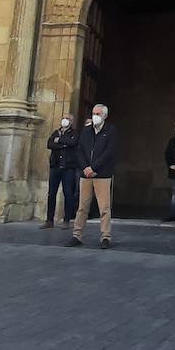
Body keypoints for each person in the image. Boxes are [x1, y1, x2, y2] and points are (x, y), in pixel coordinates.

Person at [70, 103, 118, 249]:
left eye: (98, 113)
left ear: (105, 115)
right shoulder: (86, 131)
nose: (95, 116)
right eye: (93, 113)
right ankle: (77, 235)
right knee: (82, 207)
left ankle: (105, 237)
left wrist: (94, 167)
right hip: (86, 175)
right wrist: (85, 167)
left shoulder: (111, 131)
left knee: (104, 208)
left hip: (102, 174)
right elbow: (79, 150)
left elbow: (109, 152)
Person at [42, 113, 79, 229]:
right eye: (64, 118)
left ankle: (67, 219)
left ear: (72, 122)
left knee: (68, 193)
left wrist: (59, 141)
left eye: (68, 119)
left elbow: (73, 143)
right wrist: (63, 144)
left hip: (68, 167)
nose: (65, 120)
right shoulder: (55, 132)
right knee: (51, 193)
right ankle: (49, 220)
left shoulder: (74, 133)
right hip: (55, 166)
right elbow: (50, 144)